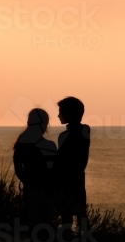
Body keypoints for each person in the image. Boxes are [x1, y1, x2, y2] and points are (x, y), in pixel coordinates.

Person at [13, 108, 58, 225]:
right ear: (42, 124)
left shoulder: (20, 145)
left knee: (31, 222)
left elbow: (18, 171)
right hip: (47, 190)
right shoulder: (49, 145)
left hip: (28, 190)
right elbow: (55, 170)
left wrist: (28, 182)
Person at [54, 97, 90, 233]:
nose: (58, 115)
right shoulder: (78, 132)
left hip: (69, 180)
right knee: (72, 215)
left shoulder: (80, 131)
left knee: (73, 215)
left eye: (61, 112)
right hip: (74, 179)